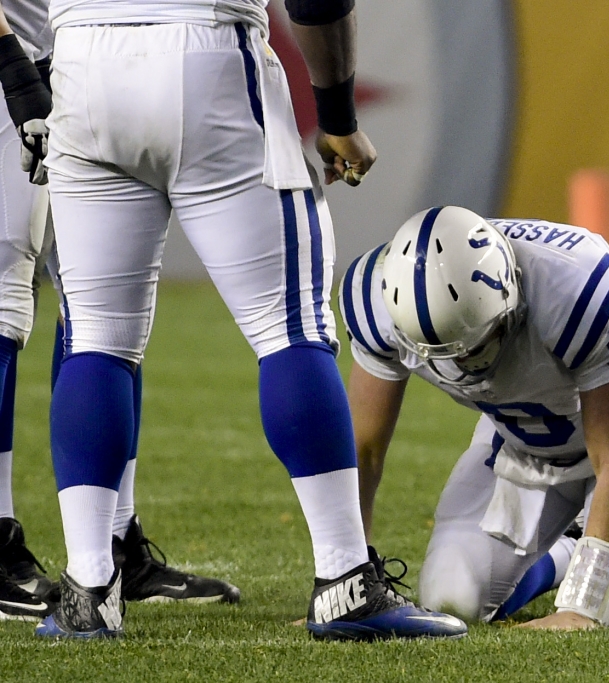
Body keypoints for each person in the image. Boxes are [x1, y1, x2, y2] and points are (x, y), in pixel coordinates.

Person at [31, 0, 466, 641]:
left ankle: (89, 592)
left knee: (95, 335)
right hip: (206, 49)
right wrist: (339, 114)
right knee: (290, 327)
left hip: (77, 64)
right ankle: (345, 580)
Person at [342, 206, 609, 629]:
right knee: (452, 595)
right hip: (523, 433)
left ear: (510, 293)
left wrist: (581, 609)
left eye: (477, 347)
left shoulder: (575, 285)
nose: (468, 368)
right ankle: (571, 547)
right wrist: (346, 576)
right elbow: (361, 450)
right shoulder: (376, 301)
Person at [0, 0, 239, 619]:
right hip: (16, 63)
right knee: (1, 301)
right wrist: (12, 67)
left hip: (78, 58)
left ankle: (110, 549)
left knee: (101, 309)